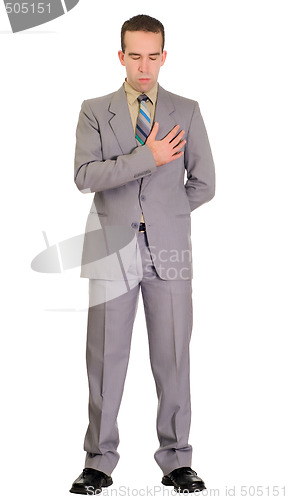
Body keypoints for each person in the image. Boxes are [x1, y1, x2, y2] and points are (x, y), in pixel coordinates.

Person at [70, 14, 215, 495]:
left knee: (173, 357)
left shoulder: (186, 110)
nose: (145, 66)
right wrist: (146, 159)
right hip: (111, 249)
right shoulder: (95, 110)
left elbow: (204, 183)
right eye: (135, 55)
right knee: (106, 358)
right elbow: (85, 176)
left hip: (169, 250)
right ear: (121, 56)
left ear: (164, 56)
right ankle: (98, 461)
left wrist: (162, 214)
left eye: (154, 56)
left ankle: (177, 460)